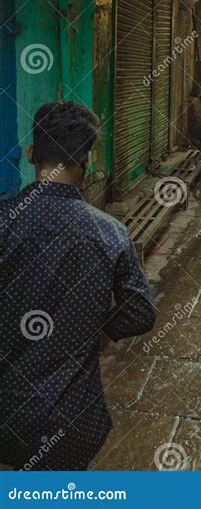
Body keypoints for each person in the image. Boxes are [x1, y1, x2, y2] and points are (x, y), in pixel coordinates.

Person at [0, 102, 156, 471]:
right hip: (71, 419)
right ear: (86, 162)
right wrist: (97, 325)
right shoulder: (109, 232)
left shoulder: (5, 222)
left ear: (32, 154)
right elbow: (140, 313)